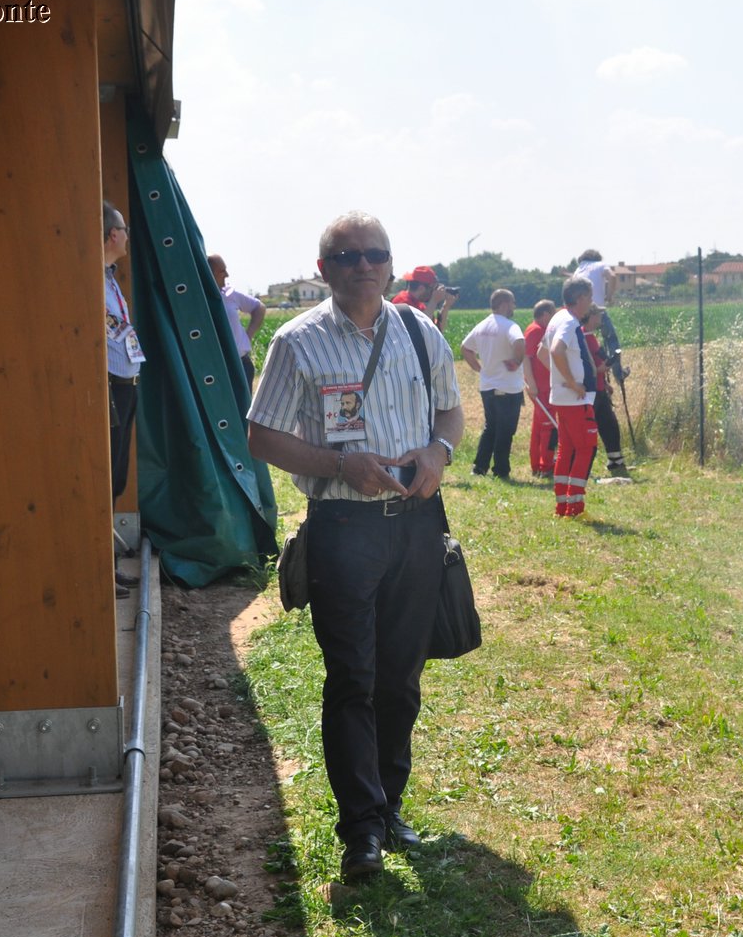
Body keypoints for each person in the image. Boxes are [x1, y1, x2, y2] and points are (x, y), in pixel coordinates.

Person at [247, 210, 463, 881]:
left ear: (392, 265)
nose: (363, 264)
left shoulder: (420, 331)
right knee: (353, 679)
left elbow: (451, 409)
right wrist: (340, 465)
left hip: (417, 525)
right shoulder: (297, 340)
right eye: (347, 255)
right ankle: (361, 831)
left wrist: (439, 448)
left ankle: (391, 806)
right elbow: (260, 435)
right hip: (343, 527)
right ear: (325, 270)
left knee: (400, 678)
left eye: (375, 253)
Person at [104, 201, 145, 596]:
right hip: (108, 386)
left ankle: (109, 562)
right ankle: (100, 566)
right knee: (105, 478)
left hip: (124, 385)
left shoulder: (110, 277)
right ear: (113, 235)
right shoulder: (90, 279)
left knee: (116, 478)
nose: (128, 237)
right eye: (125, 230)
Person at [541, 277, 599, 518]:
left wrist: (559, 378)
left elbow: (541, 353)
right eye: (589, 296)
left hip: (562, 398)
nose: (591, 302)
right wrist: (573, 382)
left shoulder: (556, 318)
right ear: (580, 297)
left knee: (566, 450)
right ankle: (574, 508)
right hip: (576, 400)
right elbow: (554, 350)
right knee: (585, 448)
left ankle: (562, 505)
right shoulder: (569, 321)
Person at [459, 288, 525, 479]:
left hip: (487, 386)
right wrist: (516, 361)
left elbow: (465, 348)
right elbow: (519, 342)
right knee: (506, 430)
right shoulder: (509, 325)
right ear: (504, 304)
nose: (514, 306)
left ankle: (479, 467)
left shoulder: (482, 326)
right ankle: (501, 470)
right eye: (512, 302)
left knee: (491, 427)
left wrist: (479, 368)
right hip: (508, 386)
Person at [582, 304, 628, 477]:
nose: (602, 318)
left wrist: (606, 382)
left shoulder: (591, 336)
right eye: (599, 314)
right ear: (591, 316)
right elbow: (590, 366)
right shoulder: (583, 336)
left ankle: (615, 461)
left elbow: (598, 361)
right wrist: (606, 366)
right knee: (588, 430)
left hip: (600, 389)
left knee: (610, 426)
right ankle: (582, 466)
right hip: (590, 392)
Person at [208, 253, 265, 391]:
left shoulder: (230, 294)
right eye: (222, 271)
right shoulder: (198, 298)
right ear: (208, 273)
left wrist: (248, 335)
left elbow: (259, 307)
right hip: (215, 368)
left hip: (241, 364)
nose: (226, 275)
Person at [572, 248, 627, 383]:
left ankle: (585, 372)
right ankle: (618, 374)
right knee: (611, 339)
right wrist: (609, 296)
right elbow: (612, 276)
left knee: (583, 342)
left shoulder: (578, 270)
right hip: (597, 311)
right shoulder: (600, 265)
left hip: (580, 312)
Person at [521, 299, 558, 476]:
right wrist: (532, 384)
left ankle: (537, 465)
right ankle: (546, 466)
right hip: (541, 388)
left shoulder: (537, 329)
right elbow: (526, 358)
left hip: (543, 387)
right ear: (545, 315)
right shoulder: (535, 331)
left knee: (539, 427)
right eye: (553, 314)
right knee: (548, 427)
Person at [389, 264, 456, 331]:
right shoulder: (401, 302)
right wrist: (434, 301)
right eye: (432, 288)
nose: (433, 292)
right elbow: (420, 329)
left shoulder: (419, 304)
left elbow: (436, 330)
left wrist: (446, 306)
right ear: (421, 288)